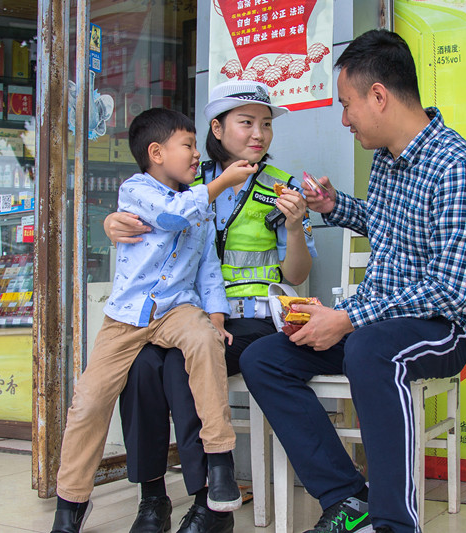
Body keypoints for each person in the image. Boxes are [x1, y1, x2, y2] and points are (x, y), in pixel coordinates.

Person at [238, 29, 466, 533]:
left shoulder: (457, 167)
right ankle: (345, 499)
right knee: (263, 358)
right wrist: (336, 207)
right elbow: (384, 221)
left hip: (443, 328)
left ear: (378, 96)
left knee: (369, 350)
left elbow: (452, 289)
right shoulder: (387, 158)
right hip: (377, 323)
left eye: (347, 104)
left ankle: (395, 524)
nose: (344, 119)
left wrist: (348, 317)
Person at [104, 80, 317, 533]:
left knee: (181, 364)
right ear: (217, 129)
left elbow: (296, 275)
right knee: (140, 365)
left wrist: (296, 227)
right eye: (246, 123)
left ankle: (211, 504)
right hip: (186, 319)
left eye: (265, 125)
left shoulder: (282, 188)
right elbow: (143, 227)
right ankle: (152, 498)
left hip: (255, 321)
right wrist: (111, 222)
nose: (258, 134)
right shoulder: (187, 182)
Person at [51, 108, 258, 533]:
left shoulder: (197, 199)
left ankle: (219, 464)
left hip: (177, 311)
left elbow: (207, 271)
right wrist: (219, 185)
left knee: (204, 340)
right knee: (88, 401)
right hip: (126, 318)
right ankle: (70, 504)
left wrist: (215, 319)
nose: (196, 154)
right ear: (156, 152)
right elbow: (171, 216)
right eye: (188, 145)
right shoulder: (136, 190)